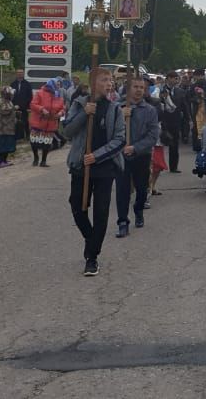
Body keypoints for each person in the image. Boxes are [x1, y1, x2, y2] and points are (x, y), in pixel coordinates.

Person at [64, 68, 126, 277]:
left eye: (111, 80)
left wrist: (97, 155)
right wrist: (84, 114)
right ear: (93, 83)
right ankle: (91, 239)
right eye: (104, 80)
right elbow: (67, 131)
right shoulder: (79, 104)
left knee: (101, 212)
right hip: (81, 166)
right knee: (77, 207)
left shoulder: (115, 109)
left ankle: (92, 257)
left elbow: (119, 139)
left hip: (105, 167)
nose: (109, 83)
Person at [115, 77, 159, 238]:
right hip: (121, 156)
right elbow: (107, 129)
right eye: (135, 87)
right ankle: (122, 222)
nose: (139, 90)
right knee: (122, 190)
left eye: (142, 87)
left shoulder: (150, 110)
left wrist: (135, 147)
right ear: (128, 88)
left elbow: (153, 135)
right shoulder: (117, 107)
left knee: (141, 189)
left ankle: (138, 210)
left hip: (141, 155)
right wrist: (120, 115)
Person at [28, 79, 65, 167]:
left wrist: (61, 113)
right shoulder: (40, 93)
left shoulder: (58, 95)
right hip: (38, 122)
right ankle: (36, 157)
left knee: (47, 143)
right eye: (57, 84)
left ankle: (43, 161)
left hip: (51, 123)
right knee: (34, 142)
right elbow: (33, 104)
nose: (58, 86)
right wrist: (42, 109)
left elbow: (62, 108)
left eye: (59, 85)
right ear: (51, 85)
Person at [158, 72, 183, 174]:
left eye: (177, 78)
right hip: (164, 120)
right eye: (174, 78)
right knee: (161, 143)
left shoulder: (179, 91)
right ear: (168, 79)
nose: (176, 80)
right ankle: (158, 165)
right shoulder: (160, 90)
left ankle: (173, 167)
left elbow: (183, 105)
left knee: (174, 144)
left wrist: (187, 118)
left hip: (175, 121)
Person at [0, 86, 19, 168]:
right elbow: (4, 111)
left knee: (8, 145)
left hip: (10, 127)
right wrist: (14, 108)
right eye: (10, 94)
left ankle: (4, 160)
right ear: (6, 94)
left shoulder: (9, 101)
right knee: (2, 145)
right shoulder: (0, 101)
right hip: (3, 128)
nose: (12, 95)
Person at [10, 69, 33, 142]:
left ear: (23, 74)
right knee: (15, 122)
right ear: (16, 74)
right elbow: (10, 96)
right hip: (14, 107)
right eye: (18, 73)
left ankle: (27, 135)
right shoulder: (13, 84)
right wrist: (13, 105)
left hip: (24, 107)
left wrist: (27, 106)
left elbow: (30, 96)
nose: (20, 74)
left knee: (25, 122)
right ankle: (18, 136)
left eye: (21, 73)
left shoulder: (27, 84)